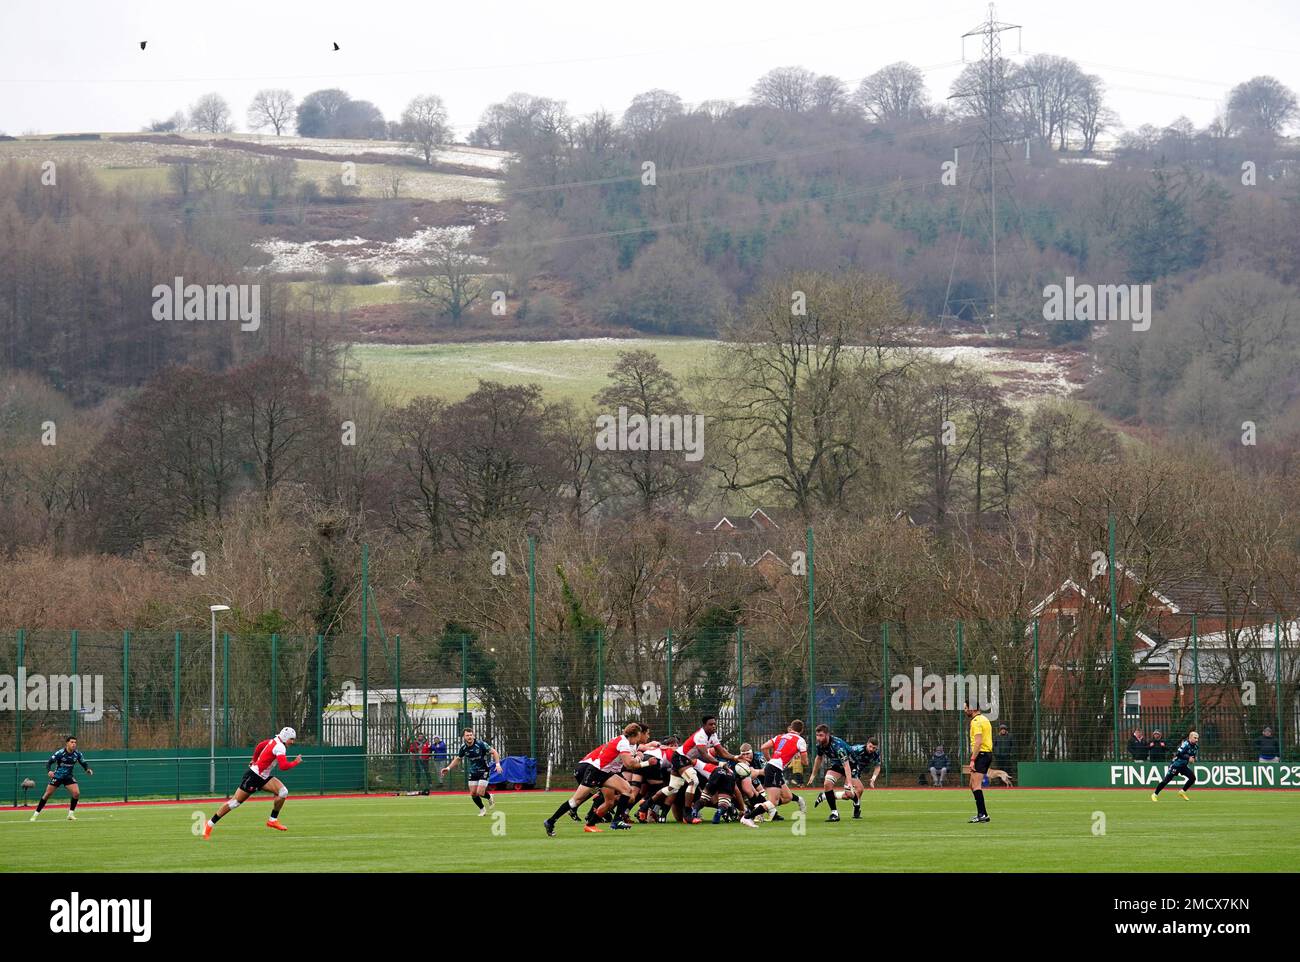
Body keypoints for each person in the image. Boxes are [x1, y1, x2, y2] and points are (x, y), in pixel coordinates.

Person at [203, 727, 301, 838]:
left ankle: (272, 820)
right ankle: (209, 823)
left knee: (283, 792)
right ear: (285, 737)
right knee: (234, 803)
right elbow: (283, 766)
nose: (292, 742)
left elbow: (259, 746)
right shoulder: (280, 747)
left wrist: (254, 759)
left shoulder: (274, 740)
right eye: (291, 739)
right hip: (253, 777)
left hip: (263, 777)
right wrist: (295, 762)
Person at [742, 720, 809, 827]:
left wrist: (770, 760)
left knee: (787, 797)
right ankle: (747, 817)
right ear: (801, 730)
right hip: (774, 769)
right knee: (773, 802)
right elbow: (805, 762)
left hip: (773, 768)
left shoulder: (780, 736)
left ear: (791, 728)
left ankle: (761, 807)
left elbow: (764, 747)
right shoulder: (800, 740)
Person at [441, 728, 503, 815]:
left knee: (480, 792)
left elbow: (494, 752)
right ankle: (482, 809)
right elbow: (458, 759)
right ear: (464, 737)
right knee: (473, 793)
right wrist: (448, 768)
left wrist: (497, 764)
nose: (470, 737)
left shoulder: (481, 744)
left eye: (471, 735)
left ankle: (489, 797)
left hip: (484, 770)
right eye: (467, 735)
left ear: (473, 735)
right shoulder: (463, 748)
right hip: (473, 771)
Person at [31, 736, 93, 822]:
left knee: (76, 793)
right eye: (72, 742)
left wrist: (87, 769)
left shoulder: (77, 754)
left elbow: (83, 763)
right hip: (57, 776)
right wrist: (49, 771)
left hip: (68, 777)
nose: (74, 744)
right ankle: (35, 815)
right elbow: (49, 763)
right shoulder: (60, 753)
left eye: (75, 742)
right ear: (67, 743)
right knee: (47, 795)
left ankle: (70, 815)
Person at [809, 724, 854, 822]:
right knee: (827, 783)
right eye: (817, 735)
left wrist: (849, 782)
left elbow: (846, 765)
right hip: (837, 765)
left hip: (852, 766)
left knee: (850, 795)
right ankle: (834, 813)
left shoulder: (838, 746)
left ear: (827, 735)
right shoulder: (820, 745)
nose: (818, 738)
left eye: (821, 735)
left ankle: (825, 796)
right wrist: (813, 774)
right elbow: (819, 758)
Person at [1151, 730, 1198, 801]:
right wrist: (1188, 758)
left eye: (1197, 738)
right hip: (1176, 765)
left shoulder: (1196, 747)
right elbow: (1178, 754)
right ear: (1190, 737)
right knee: (1166, 780)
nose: (1196, 740)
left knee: (1192, 778)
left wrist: (1192, 759)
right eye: (1195, 738)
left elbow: (1192, 756)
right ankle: (1155, 794)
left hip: (1183, 766)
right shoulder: (1185, 744)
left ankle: (1182, 792)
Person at [966, 703, 993, 823]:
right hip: (985, 754)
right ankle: (982, 813)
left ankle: (982, 814)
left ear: (972, 708)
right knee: (972, 785)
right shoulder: (985, 719)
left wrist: (972, 760)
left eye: (966, 708)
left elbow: (978, 742)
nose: (964, 710)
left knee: (976, 786)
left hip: (981, 754)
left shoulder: (976, 722)